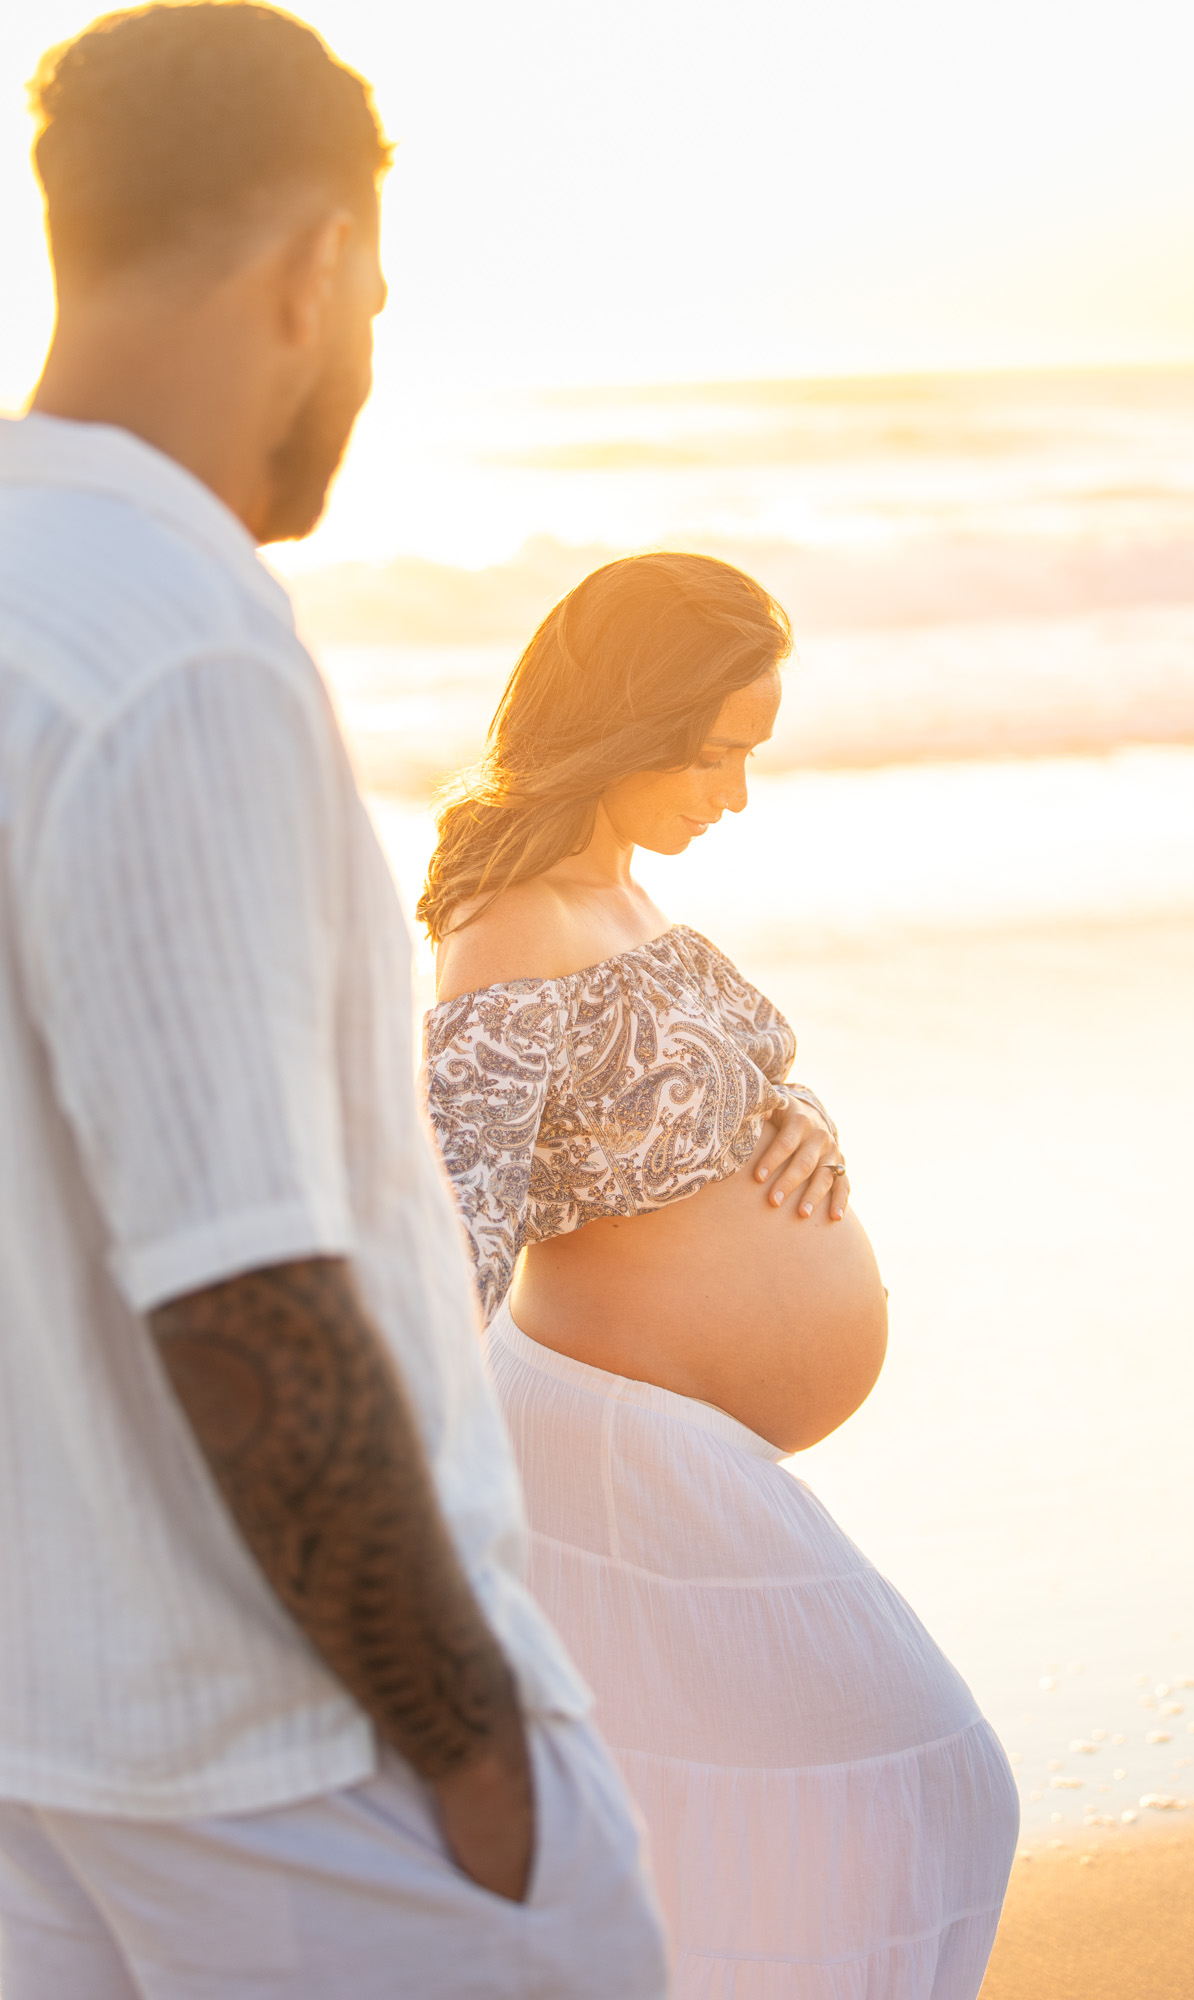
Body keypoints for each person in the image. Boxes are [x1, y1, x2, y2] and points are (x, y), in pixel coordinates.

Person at [0, 8, 668, 1996]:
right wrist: (472, 1749)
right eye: (372, 292)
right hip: (299, 1765)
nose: (368, 354)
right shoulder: (177, 646)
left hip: (49, 1743)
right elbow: (248, 1290)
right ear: (314, 270)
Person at [420, 551, 1021, 1998]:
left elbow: (678, 1098)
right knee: (916, 1776)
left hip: (676, 1446)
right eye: (715, 753)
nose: (734, 794)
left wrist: (794, 1123)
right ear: (626, 726)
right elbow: (456, 1228)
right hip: (616, 1453)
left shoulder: (615, 892)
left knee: (761, 1805)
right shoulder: (510, 929)